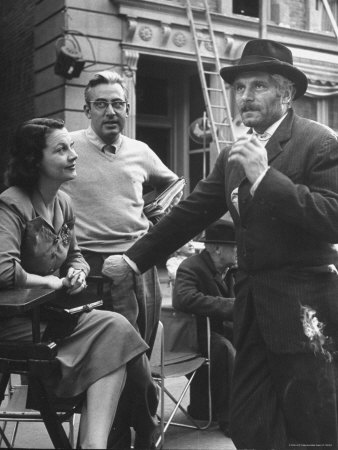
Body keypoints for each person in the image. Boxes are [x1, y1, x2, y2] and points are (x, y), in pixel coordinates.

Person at [103, 39, 338, 448]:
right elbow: (189, 214)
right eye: (240, 87)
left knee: (310, 425)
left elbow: (332, 218)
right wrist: (132, 260)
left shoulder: (319, 142)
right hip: (249, 309)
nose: (245, 96)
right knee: (248, 424)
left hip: (304, 309)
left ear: (286, 93)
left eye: (258, 86)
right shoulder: (233, 154)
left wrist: (267, 179)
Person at [0, 118, 151, 449]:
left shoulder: (64, 202)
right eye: (61, 149)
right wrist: (51, 282)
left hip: (52, 317)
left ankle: (94, 444)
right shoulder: (10, 203)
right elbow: (4, 270)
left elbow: (76, 255)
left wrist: (78, 272)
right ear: (34, 160)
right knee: (118, 332)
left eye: (71, 146)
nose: (74, 154)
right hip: (15, 322)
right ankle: (143, 419)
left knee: (117, 331)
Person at [62, 70, 181, 449]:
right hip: (87, 268)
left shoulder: (140, 150)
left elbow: (174, 184)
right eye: (101, 104)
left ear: (126, 108)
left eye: (118, 103)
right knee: (109, 358)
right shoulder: (69, 148)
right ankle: (126, 432)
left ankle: (137, 431)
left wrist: (156, 219)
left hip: (136, 264)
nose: (111, 111)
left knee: (138, 353)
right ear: (86, 110)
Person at [172, 219, 236, 436]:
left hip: (219, 330)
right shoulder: (191, 267)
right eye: (234, 246)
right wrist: (230, 306)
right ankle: (230, 419)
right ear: (218, 249)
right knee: (224, 350)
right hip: (194, 334)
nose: (239, 251)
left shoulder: (233, 269)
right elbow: (183, 299)